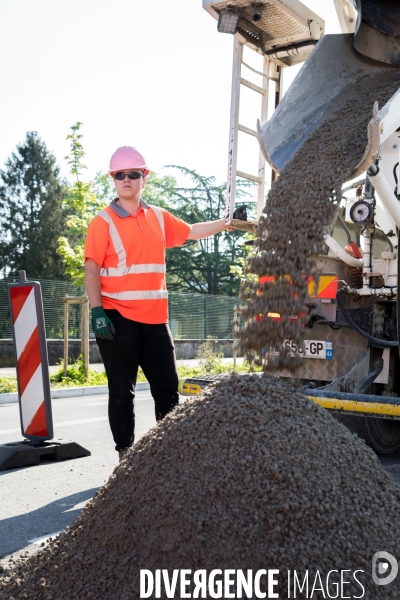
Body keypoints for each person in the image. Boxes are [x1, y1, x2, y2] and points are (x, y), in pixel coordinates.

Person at [84, 146, 228, 460]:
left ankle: (168, 455)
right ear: (113, 179)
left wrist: (227, 221)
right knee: (122, 392)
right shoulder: (102, 222)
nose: (126, 180)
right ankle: (126, 455)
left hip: (154, 320)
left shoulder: (158, 217)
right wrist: (97, 311)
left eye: (133, 174)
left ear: (144, 178)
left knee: (167, 388)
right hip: (116, 317)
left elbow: (191, 232)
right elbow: (91, 268)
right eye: (119, 175)